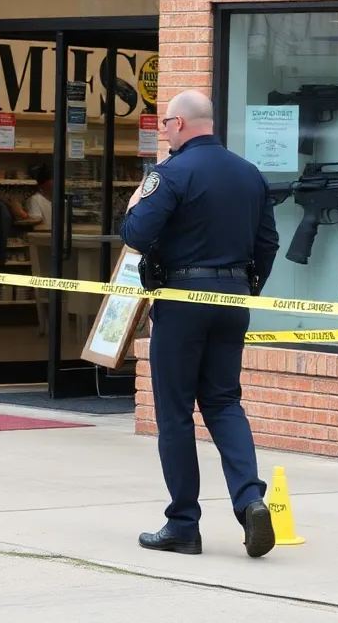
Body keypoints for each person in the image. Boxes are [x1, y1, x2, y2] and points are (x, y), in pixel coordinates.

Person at [119, 89, 280, 559]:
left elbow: (136, 236)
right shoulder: (250, 174)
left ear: (182, 124)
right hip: (233, 298)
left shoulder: (169, 173)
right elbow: (267, 243)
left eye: (165, 122)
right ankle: (250, 499)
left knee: (174, 411)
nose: (163, 130)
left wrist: (133, 204)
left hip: (182, 299)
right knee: (225, 401)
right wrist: (244, 288)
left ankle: (183, 525)